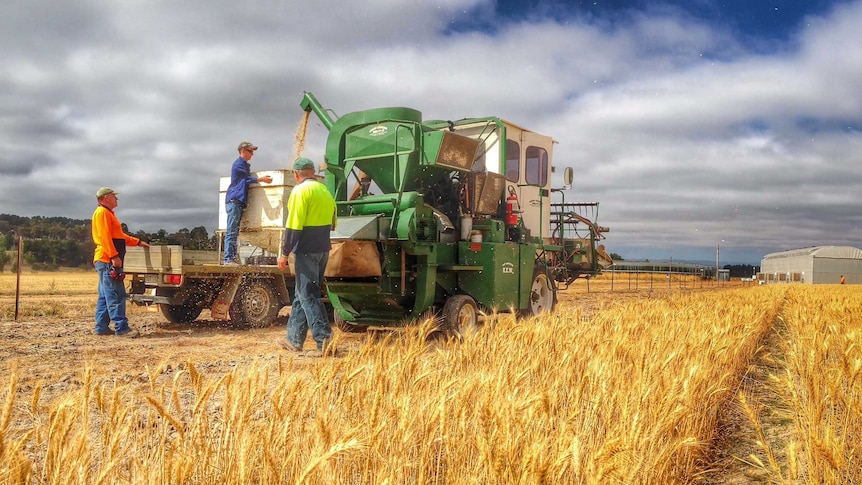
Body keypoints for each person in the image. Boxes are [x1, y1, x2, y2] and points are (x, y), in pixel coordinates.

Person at [275, 157, 337, 356]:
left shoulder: (300, 191)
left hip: (306, 250)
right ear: (312, 172)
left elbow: (294, 226)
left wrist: (284, 253)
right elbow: (334, 223)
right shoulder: (325, 191)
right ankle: (294, 339)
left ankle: (324, 339)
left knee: (308, 295)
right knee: (302, 294)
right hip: (323, 249)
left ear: (295, 174)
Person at [92, 187, 150, 337]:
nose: (117, 199)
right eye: (114, 196)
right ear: (106, 198)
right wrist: (113, 256)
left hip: (105, 260)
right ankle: (122, 328)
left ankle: (102, 327)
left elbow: (119, 236)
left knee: (105, 296)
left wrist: (137, 242)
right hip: (107, 260)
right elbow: (105, 237)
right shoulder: (102, 213)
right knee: (116, 295)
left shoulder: (107, 214)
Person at [223, 141, 273, 265]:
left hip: (238, 201)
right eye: (250, 151)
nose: (252, 154)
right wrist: (260, 179)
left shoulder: (244, 165)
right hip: (234, 200)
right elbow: (245, 179)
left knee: (234, 231)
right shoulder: (239, 164)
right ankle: (228, 259)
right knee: (231, 231)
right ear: (243, 151)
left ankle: (232, 258)